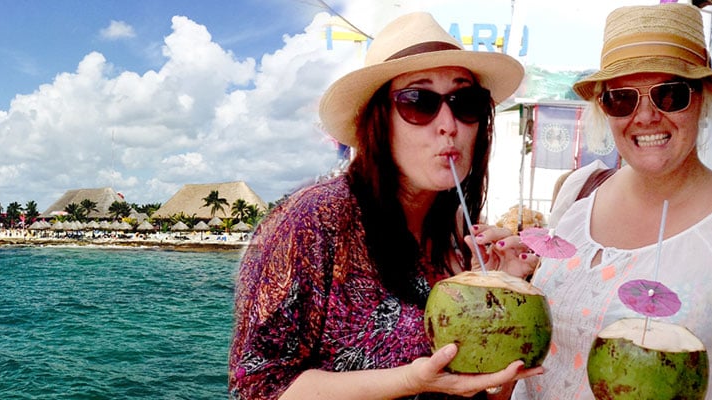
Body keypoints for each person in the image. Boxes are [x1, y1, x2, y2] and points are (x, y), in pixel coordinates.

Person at [229, 12, 541, 400]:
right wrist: (409, 380)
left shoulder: (464, 235)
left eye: (466, 101)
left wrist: (503, 298)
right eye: (419, 101)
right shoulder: (310, 222)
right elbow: (258, 389)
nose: (449, 124)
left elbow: (484, 391)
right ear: (379, 121)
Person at [511, 3, 712, 399]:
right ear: (604, 107)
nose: (646, 116)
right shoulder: (579, 191)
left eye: (669, 95)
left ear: (702, 99)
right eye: (622, 98)